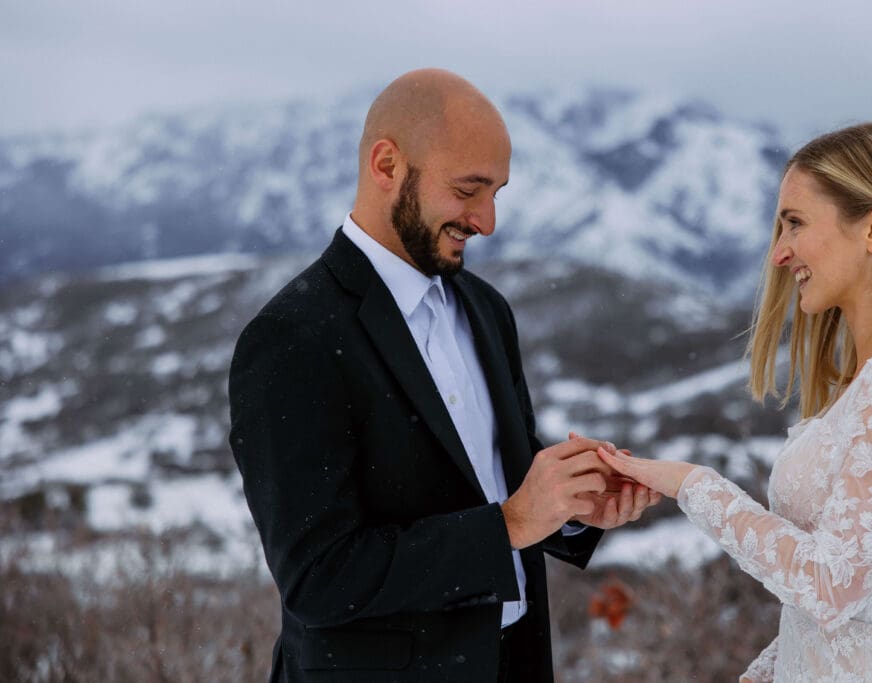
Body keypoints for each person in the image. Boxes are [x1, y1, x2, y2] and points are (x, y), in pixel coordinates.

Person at [228, 68, 660, 683]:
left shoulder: (486, 310)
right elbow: (319, 577)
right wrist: (511, 524)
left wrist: (570, 507)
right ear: (387, 165)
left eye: (496, 193)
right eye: (468, 189)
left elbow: (491, 476)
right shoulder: (292, 338)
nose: (486, 220)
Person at [598, 123, 872, 682]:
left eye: (794, 223)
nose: (778, 253)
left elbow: (833, 588)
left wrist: (692, 484)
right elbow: (860, 614)